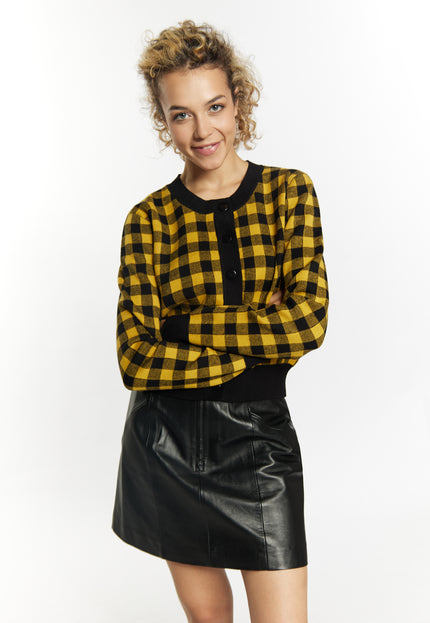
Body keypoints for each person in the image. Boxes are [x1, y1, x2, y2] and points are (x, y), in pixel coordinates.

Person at [112, 19, 329, 623]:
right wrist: (255, 346)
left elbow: (307, 324)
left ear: (239, 102)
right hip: (166, 443)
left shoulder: (289, 193)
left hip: (261, 440)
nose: (203, 130)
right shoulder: (148, 220)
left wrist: (181, 328)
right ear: (164, 120)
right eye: (181, 114)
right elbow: (135, 358)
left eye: (215, 107)